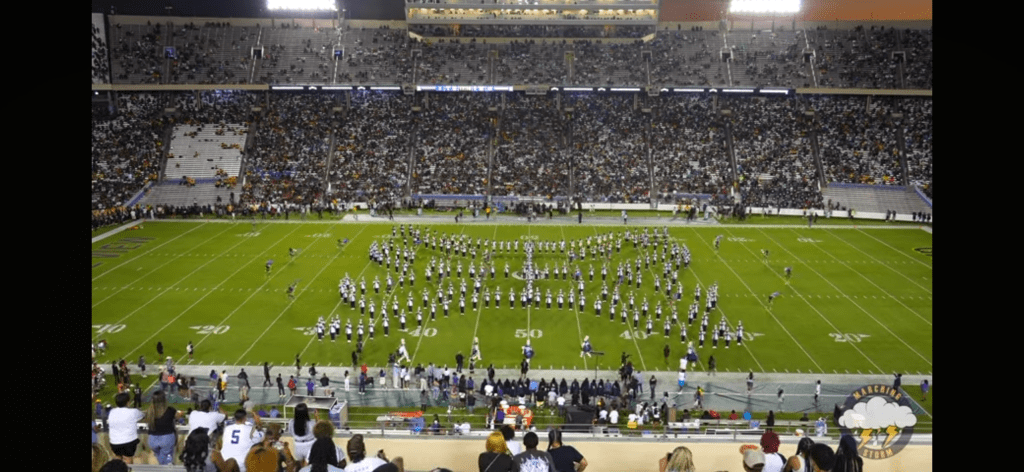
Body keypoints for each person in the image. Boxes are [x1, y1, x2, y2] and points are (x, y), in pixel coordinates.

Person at [145, 390, 181, 465]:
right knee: (167, 462)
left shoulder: (149, 411)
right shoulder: (170, 410)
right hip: (167, 439)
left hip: (152, 440)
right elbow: (178, 417)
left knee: (161, 459)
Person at [107, 392, 145, 464]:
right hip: (129, 442)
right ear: (128, 402)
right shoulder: (133, 412)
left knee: (118, 459)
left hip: (114, 442)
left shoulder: (112, 412)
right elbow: (143, 415)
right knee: (128, 459)